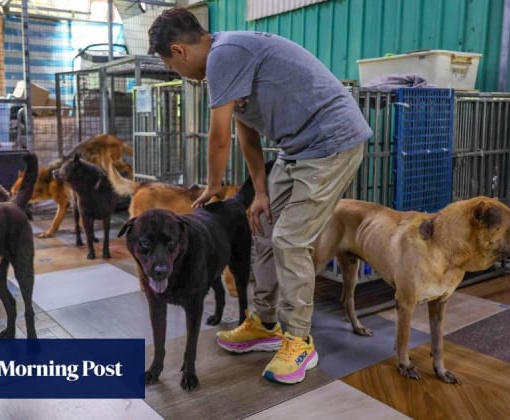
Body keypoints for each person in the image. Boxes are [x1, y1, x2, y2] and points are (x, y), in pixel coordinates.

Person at [148, 8, 372, 384]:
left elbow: (216, 137)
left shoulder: (225, 53)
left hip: (333, 142)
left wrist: (213, 185)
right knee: (263, 225)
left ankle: (299, 339)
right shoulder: (227, 64)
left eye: (172, 67)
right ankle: (265, 323)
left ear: (179, 51)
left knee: (290, 239)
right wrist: (261, 192)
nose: (179, 75)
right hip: (295, 149)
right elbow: (244, 134)